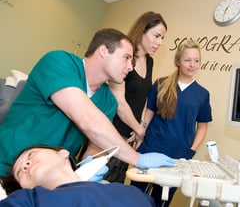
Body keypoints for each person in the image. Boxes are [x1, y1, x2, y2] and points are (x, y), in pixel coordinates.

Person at [0, 28, 175, 177]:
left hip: (49, 177)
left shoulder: (108, 100)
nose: (130, 67)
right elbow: (87, 120)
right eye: (126, 57)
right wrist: (138, 158)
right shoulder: (58, 62)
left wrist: (87, 167)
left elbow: (95, 145)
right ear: (104, 50)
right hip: (8, 164)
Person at [131, 40, 213, 207]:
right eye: (187, 60)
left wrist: (192, 150)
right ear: (178, 61)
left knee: (161, 202)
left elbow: (202, 126)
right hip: (151, 148)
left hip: (178, 155)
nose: (192, 65)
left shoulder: (202, 94)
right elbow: (149, 112)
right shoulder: (161, 84)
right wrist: (140, 136)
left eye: (196, 61)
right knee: (135, 198)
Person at [104, 11, 168, 183]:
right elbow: (119, 99)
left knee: (114, 185)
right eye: (156, 36)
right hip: (112, 131)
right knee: (98, 184)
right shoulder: (126, 58)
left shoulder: (149, 61)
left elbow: (144, 96)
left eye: (162, 38)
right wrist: (139, 129)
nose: (160, 42)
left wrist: (141, 125)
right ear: (142, 31)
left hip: (130, 134)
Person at [0, 145, 155, 207]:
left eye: (31, 155)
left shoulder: (130, 192)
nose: (25, 165)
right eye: (20, 172)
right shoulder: (27, 200)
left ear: (63, 153)